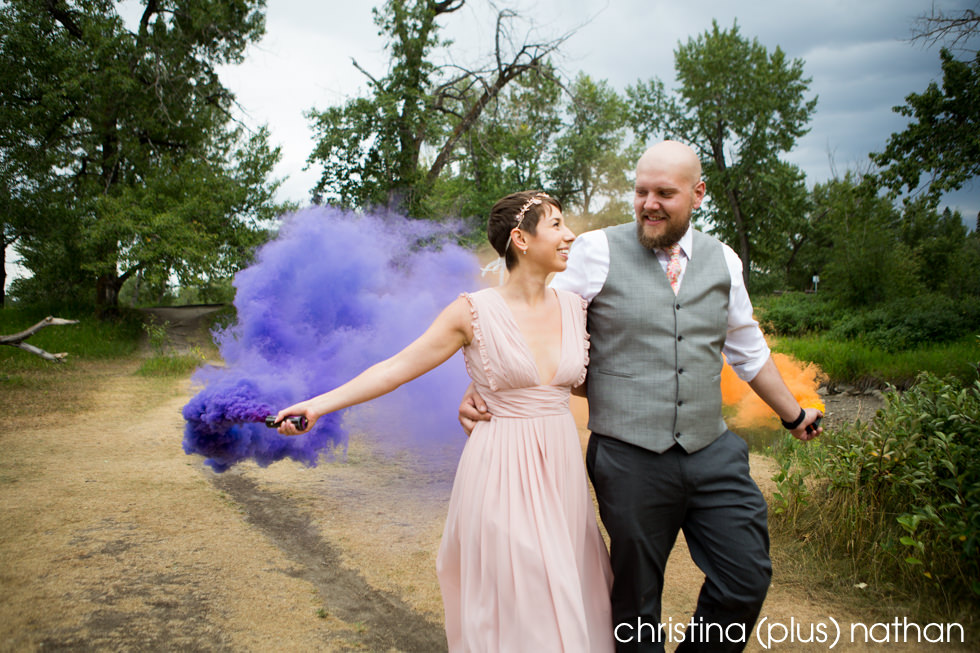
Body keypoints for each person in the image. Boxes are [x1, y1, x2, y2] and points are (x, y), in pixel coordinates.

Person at [460, 142, 823, 653]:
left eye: (664, 193)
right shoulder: (597, 251)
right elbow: (534, 315)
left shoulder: (725, 260)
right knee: (636, 603)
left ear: (698, 194)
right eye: (640, 191)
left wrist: (793, 415)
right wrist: (489, 381)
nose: (649, 203)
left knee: (744, 578)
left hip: (711, 451)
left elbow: (749, 352)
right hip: (628, 456)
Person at [275, 190, 614, 653]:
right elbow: (394, 369)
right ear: (520, 239)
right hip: (500, 472)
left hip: (561, 475)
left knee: (573, 593)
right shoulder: (471, 312)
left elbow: (579, 383)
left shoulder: (577, 308)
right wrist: (317, 406)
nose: (569, 234)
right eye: (555, 224)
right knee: (523, 597)